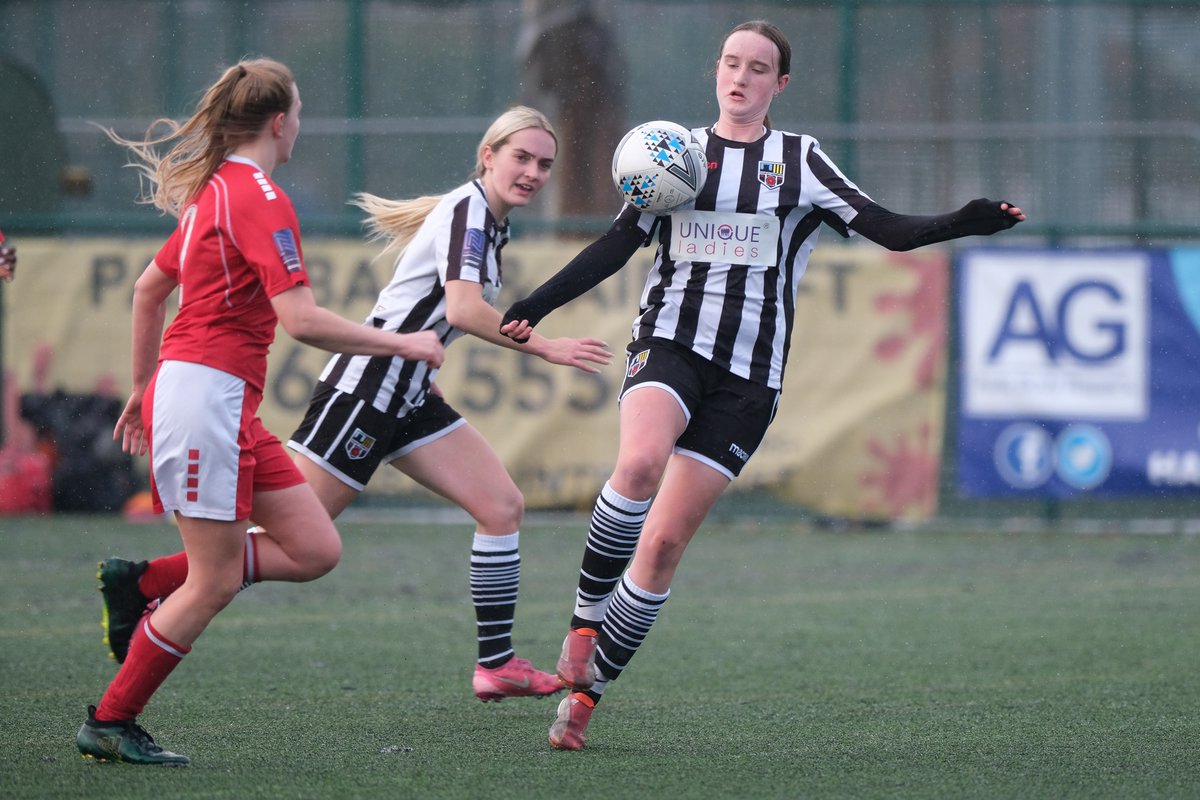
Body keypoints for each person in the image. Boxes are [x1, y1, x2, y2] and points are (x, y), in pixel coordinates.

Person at [499, 19, 1026, 751]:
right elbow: (619, 243)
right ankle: (585, 620)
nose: (739, 76)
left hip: (750, 379)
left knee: (662, 549)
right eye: (729, 62)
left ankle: (586, 699)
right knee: (641, 463)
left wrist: (963, 221)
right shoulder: (672, 152)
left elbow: (889, 230)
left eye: (757, 68)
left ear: (779, 85)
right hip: (670, 344)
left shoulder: (800, 161)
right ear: (716, 72)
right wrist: (535, 304)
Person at [94, 107, 611, 705]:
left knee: (501, 505)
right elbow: (465, 311)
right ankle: (147, 581)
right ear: (487, 155)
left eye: (544, 163)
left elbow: (432, 315)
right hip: (363, 395)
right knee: (297, 544)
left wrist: (427, 381)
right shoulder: (470, 213)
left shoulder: (489, 221)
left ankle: (495, 664)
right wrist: (547, 345)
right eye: (521, 157)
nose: (533, 172)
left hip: (410, 396)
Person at [76, 58, 444, 766]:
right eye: (299, 112)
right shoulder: (259, 196)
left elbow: (150, 292)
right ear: (280, 122)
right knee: (212, 581)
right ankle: (110, 720)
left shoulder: (212, 193)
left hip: (213, 400)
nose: (299, 124)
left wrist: (144, 384)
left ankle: (145, 581)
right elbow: (300, 320)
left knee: (314, 548)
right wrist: (404, 343)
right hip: (205, 399)